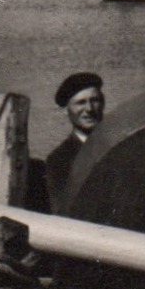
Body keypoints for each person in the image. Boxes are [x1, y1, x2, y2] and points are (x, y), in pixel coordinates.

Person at [44, 71, 104, 211]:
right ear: (66, 110)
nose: (89, 109)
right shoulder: (58, 160)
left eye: (95, 100)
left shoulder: (117, 144)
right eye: (80, 103)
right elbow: (64, 211)